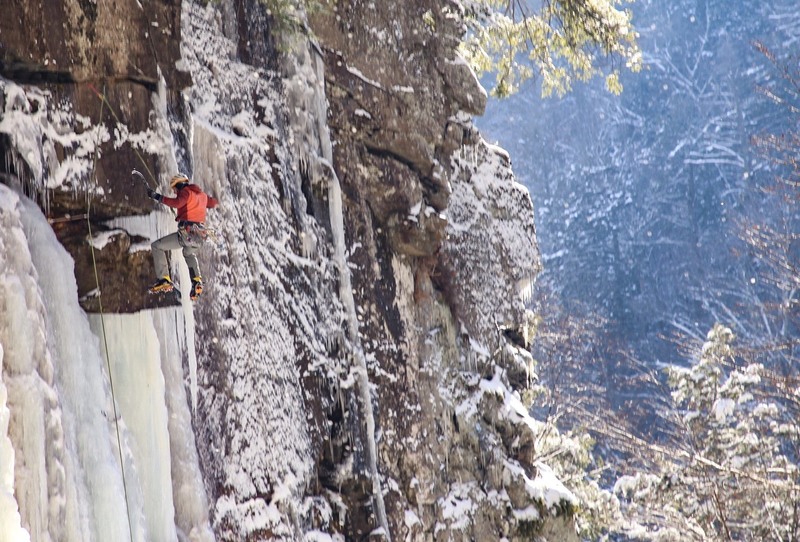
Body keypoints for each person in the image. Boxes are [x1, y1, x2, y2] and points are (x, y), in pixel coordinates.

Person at [147, 173, 218, 301]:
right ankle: (196, 281)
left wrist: (157, 196)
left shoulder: (185, 192)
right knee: (188, 253)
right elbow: (213, 203)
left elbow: (178, 203)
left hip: (187, 233)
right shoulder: (201, 195)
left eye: (174, 188)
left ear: (179, 184)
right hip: (199, 237)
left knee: (157, 246)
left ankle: (164, 279)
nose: (174, 191)